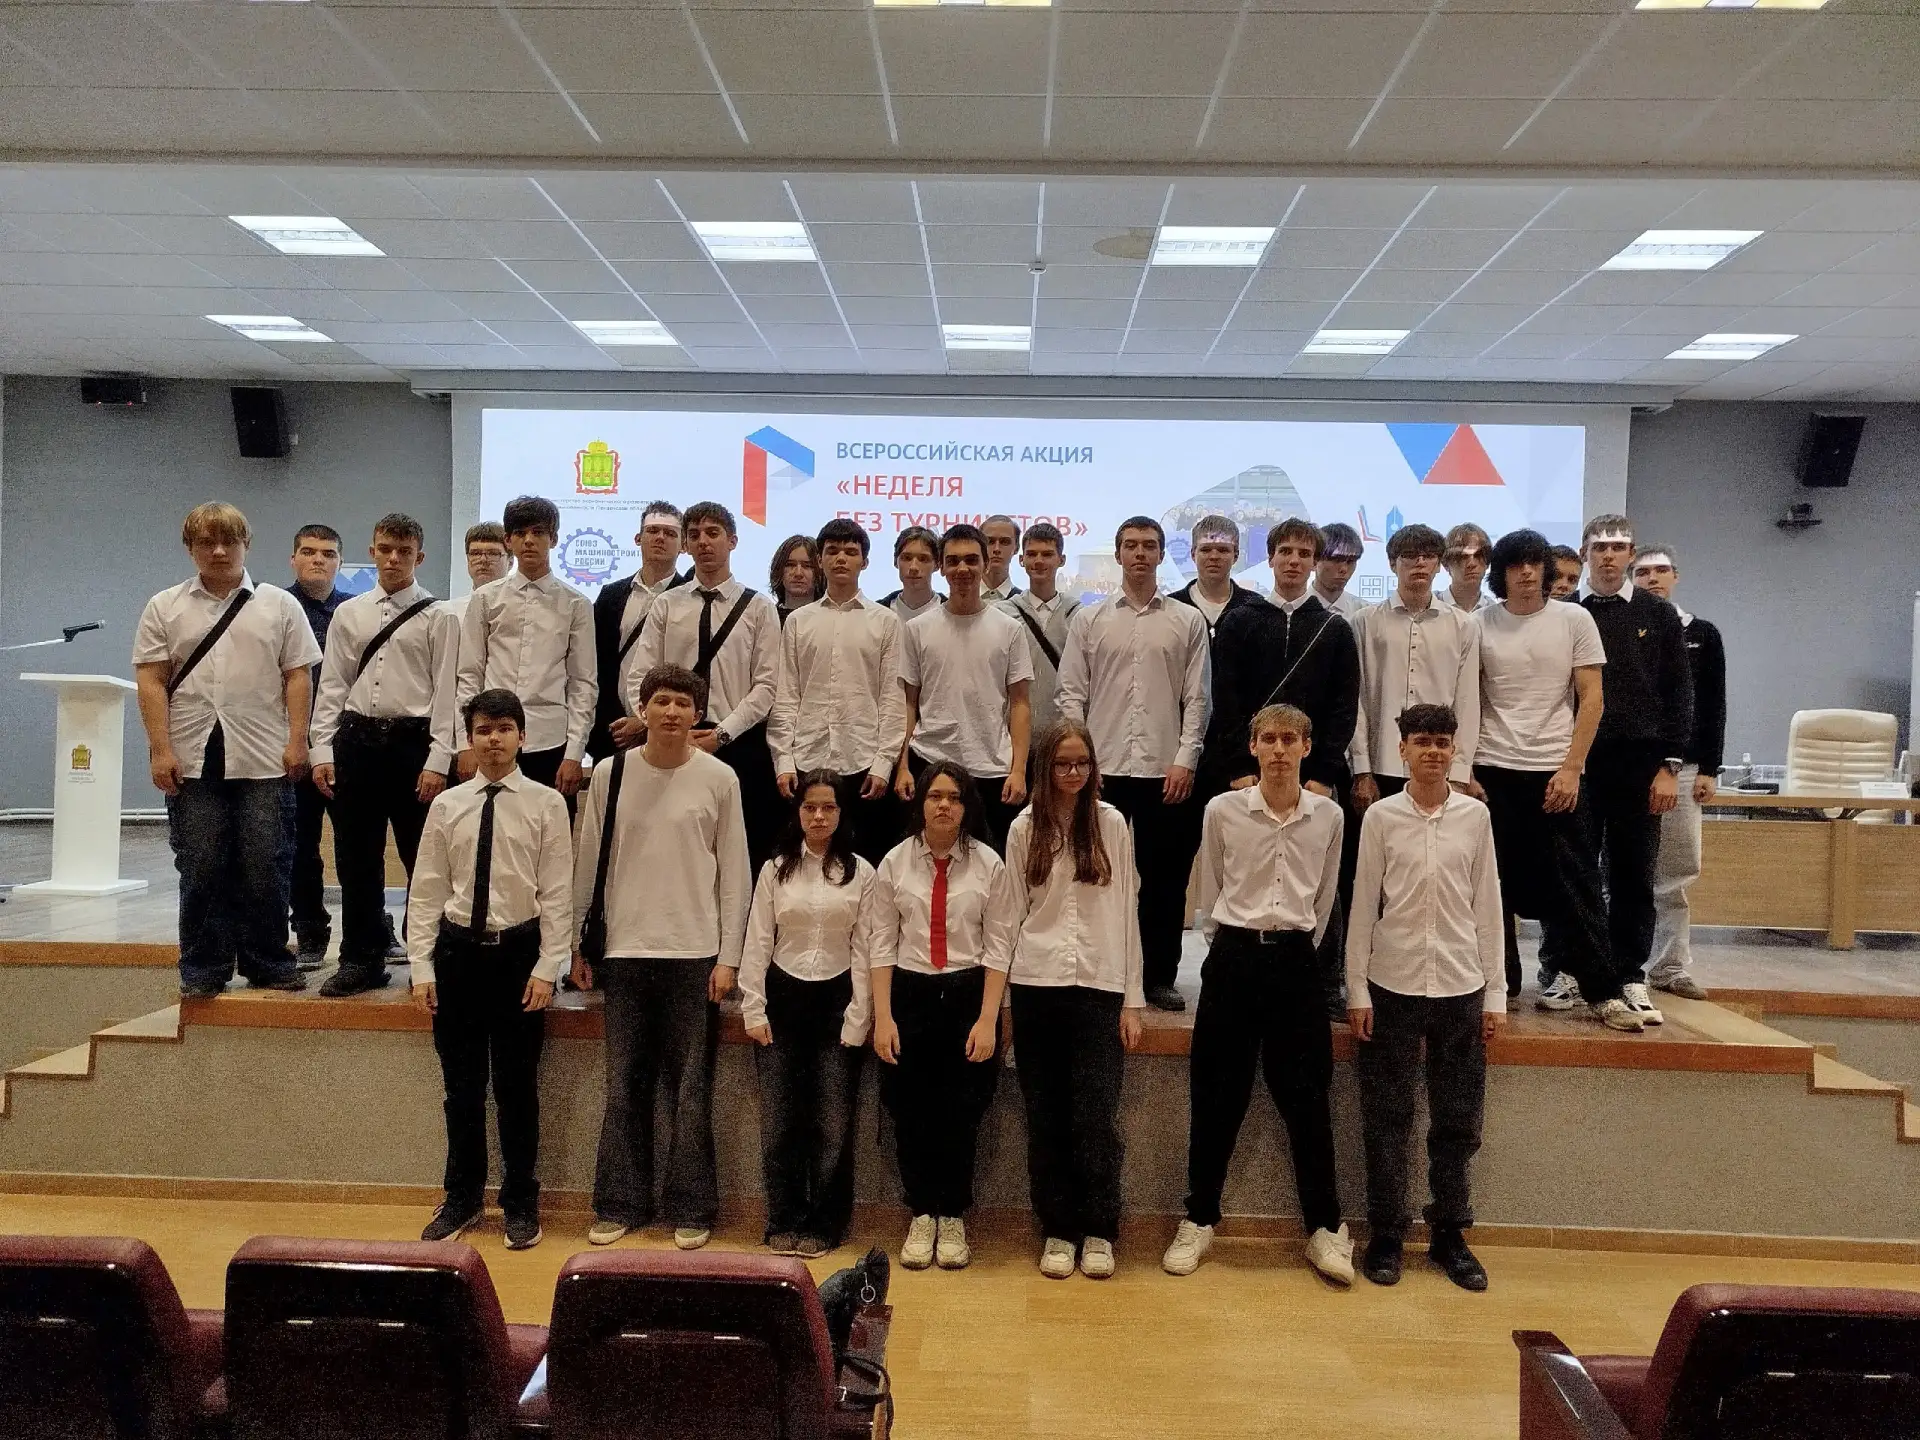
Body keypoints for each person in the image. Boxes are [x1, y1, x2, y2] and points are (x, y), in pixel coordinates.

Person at [1162, 703, 1352, 1285]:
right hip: (1234, 958)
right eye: (1268, 739)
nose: (1278, 749)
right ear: (1253, 747)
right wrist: (1235, 942)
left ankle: (1326, 1227)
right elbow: (1213, 888)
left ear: (1307, 747)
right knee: (1216, 1096)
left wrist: (1294, 947)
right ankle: (1199, 1218)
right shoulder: (1222, 811)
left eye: (1289, 739)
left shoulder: (1328, 817)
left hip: (1296, 961)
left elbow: (1324, 899)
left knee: (1308, 1098)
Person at [573, 664, 751, 1252]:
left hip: (694, 955)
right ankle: (619, 1203)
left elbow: (736, 875)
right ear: (642, 710)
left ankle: (691, 1206)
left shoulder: (720, 777)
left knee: (690, 1091)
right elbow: (589, 859)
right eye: (661, 701)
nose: (671, 712)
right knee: (624, 1086)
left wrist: (729, 958)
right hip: (624, 952)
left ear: (697, 714)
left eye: (682, 703)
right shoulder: (612, 772)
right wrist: (577, 944)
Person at [1347, 703, 1504, 1292]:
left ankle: (1450, 1235)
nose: (1433, 751)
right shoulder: (1381, 818)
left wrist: (1496, 995)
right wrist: (1356, 988)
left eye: (1442, 742)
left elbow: (1488, 904)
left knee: (1458, 1120)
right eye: (1422, 741)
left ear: (1454, 750)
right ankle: (1387, 1234)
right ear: (1403, 750)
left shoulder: (1475, 817)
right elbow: (1363, 903)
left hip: (1461, 985)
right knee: (1388, 1117)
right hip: (1392, 984)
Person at [133, 502, 319, 998]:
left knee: (267, 861)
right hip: (191, 754)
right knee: (200, 863)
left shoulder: (280, 605)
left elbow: (297, 675)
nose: (218, 551)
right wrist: (159, 750)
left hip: (264, 754)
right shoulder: (164, 606)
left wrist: (298, 740)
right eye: (206, 542)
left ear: (246, 545)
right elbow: (151, 680)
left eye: (228, 541)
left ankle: (268, 961)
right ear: (190, 548)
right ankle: (203, 968)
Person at [408, 688, 570, 1251]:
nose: (494, 739)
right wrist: (421, 966)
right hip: (457, 956)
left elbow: (557, 892)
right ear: (470, 739)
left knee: (517, 1088)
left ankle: (520, 1201)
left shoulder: (546, 804)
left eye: (504, 729)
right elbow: (427, 889)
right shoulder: (448, 805)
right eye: (483, 730)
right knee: (461, 1088)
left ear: (522, 736)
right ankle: (462, 1197)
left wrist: (548, 966)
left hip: (518, 956)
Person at [1472, 529, 1641, 1031]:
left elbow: (1592, 699)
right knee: (1492, 885)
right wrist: (1468, 771)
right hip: (1494, 769)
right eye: (1515, 564)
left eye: (1534, 563)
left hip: (1555, 770)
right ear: (1501, 572)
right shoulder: (1479, 624)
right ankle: (1498, 986)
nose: (1526, 572)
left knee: (1578, 883)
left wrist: (1571, 768)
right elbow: (1470, 698)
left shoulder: (1574, 619)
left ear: (1547, 570)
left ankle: (1603, 991)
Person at [1003, 721, 1146, 1280]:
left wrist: (1132, 1000)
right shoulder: (1023, 828)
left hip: (1099, 987)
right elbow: (1010, 916)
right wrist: (1004, 1006)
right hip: (1036, 984)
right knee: (1045, 1115)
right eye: (1062, 763)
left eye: (1081, 763)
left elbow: (1127, 912)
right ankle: (1058, 1229)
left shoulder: (1112, 824)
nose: (1072, 773)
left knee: (1095, 1116)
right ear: (1045, 768)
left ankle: (1100, 1229)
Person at [1056, 516, 1209, 1013]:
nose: (1140, 553)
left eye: (1149, 545)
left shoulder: (1187, 620)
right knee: (1095, 875)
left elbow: (1197, 698)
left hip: (1167, 771)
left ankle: (1159, 977)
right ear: (1119, 554)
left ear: (1162, 554)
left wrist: (1186, 759)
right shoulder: (1089, 620)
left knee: (1165, 880)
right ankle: (1099, 972)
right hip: (1102, 773)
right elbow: (1070, 695)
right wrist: (1082, 763)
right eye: (1131, 545)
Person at [1209, 517, 1360, 1017]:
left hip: (1312, 780)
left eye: (1304, 553)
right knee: (1250, 872)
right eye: (1286, 551)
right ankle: (1233, 971)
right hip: (1249, 776)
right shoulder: (1239, 620)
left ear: (1315, 562)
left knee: (1319, 879)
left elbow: (1344, 706)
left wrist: (1324, 774)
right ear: (1271, 558)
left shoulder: (1335, 629)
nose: (1294, 560)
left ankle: (1326, 979)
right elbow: (1226, 698)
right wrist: (1239, 765)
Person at [869, 763, 1015, 1271]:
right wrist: (883, 1017)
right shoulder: (895, 862)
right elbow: (881, 943)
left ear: (967, 806)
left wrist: (988, 1018)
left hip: (967, 994)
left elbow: (999, 946)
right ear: (921, 803)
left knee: (961, 1111)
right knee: (909, 1110)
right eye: (935, 796)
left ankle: (952, 1213)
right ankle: (921, 1212)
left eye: (954, 797)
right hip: (909, 993)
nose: (944, 805)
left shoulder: (988, 864)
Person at [309, 513, 459, 997]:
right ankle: (361, 958)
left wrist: (439, 758)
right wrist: (321, 748)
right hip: (356, 742)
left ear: (420, 556)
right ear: (372, 551)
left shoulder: (440, 616)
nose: (394, 559)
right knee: (356, 859)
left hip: (414, 745)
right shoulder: (349, 614)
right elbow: (333, 684)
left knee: (424, 860)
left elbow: (447, 693)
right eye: (385, 549)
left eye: (404, 551)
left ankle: (426, 960)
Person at [734, 771, 874, 1259]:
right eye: (810, 807)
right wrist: (753, 1006)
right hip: (782, 998)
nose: (818, 816)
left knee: (833, 1124)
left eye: (828, 807)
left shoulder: (862, 873)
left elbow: (865, 948)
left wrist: (859, 1016)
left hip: (837, 1001)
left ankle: (826, 1223)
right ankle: (784, 1217)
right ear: (798, 813)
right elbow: (758, 939)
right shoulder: (776, 869)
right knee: (779, 1121)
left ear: (841, 814)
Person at [1561, 515, 1692, 1027]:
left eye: (1618, 547)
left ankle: (1630, 973)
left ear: (1631, 554)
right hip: (1578, 761)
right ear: (1585, 553)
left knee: (1634, 873)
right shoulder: (1565, 612)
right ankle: (1576, 970)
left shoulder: (1658, 615)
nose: (1609, 555)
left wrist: (1669, 767)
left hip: (1639, 765)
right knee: (1576, 872)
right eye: (1600, 547)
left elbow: (1678, 693)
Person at [629, 500, 782, 873]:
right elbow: (640, 677)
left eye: (713, 533)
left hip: (739, 743)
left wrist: (721, 734)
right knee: (673, 851)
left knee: (740, 854)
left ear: (732, 541)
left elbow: (766, 686)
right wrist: (660, 724)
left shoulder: (759, 607)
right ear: (686, 545)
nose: (703, 542)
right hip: (671, 741)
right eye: (694, 535)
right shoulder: (667, 604)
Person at [768, 518, 906, 867]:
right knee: (802, 861)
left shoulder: (885, 621)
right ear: (820, 560)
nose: (841, 558)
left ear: (865, 561)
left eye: (850, 552)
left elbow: (892, 699)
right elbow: (787, 695)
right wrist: (782, 759)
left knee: (862, 862)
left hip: (863, 762)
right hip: (806, 758)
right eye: (832, 551)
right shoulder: (799, 621)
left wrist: (884, 764)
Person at [896, 523, 1033, 853]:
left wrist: (1018, 770)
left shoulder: (1009, 629)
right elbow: (908, 703)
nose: (962, 569)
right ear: (941, 567)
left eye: (971, 560)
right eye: (953, 561)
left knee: (993, 867)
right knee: (927, 863)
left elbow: (1020, 704)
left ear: (985, 564)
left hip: (992, 770)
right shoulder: (917, 629)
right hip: (929, 763)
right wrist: (901, 766)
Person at [455, 496, 595, 805]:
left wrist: (575, 752)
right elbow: (469, 674)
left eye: (538, 532)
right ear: (508, 540)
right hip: (492, 738)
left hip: (551, 741)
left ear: (553, 539)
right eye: (520, 533)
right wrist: (465, 744)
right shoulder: (486, 598)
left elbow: (583, 683)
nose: (529, 540)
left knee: (550, 829)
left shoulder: (576, 603)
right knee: (488, 827)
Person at [1633, 544, 1724, 1003]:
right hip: (1627, 765)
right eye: (1643, 572)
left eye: (1661, 570)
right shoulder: (1622, 626)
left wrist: (1708, 767)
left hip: (1683, 769)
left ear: (1676, 575)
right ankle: (1615, 967)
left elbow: (1713, 704)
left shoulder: (1703, 634)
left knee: (1675, 872)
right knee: (1620, 871)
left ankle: (1669, 967)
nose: (1652, 578)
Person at [1349, 523, 1480, 811]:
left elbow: (1467, 701)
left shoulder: (1463, 625)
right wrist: (1361, 770)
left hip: (1439, 763)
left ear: (1439, 565)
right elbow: (1356, 700)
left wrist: (1460, 773)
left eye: (1429, 556)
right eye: (1409, 555)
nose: (1420, 562)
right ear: (1392, 563)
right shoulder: (1364, 622)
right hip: (1381, 761)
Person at [285, 523, 349, 970]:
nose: (318, 560)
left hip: (347, 747)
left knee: (356, 847)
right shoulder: (275, 607)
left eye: (327, 553)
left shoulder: (355, 610)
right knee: (299, 847)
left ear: (339, 562)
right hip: (293, 747)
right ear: (293, 558)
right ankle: (309, 930)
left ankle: (371, 929)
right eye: (308, 552)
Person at [589, 500, 687, 762]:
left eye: (670, 533)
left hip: (670, 729)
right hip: (612, 731)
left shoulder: (693, 597)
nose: (660, 538)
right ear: (638, 538)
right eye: (653, 530)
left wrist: (645, 722)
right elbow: (596, 664)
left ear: (683, 545)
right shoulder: (610, 596)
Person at [999, 521, 1081, 743]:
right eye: (1032, 554)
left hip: (1064, 740)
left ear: (1061, 560)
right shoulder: (1003, 613)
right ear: (1021, 559)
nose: (1038, 561)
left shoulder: (1079, 616)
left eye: (1047, 554)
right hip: (1013, 737)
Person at [1170, 513, 1258, 642]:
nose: (1214, 557)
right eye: (1205, 550)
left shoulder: (1256, 608)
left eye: (1223, 550)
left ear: (1236, 555)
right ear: (1193, 554)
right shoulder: (1171, 607)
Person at [447, 522, 512, 628]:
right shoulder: (451, 613)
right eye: (476, 553)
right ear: (468, 559)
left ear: (511, 562)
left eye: (493, 553)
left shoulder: (521, 610)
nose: (483, 560)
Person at [878, 526, 943, 622]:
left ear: (937, 565)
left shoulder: (954, 613)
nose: (913, 567)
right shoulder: (876, 614)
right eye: (907, 558)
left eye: (923, 559)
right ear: (895, 562)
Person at [1310, 522, 1367, 618]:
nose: (1344, 569)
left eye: (1351, 561)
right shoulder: (1291, 609)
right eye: (1336, 559)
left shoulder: (1366, 614)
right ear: (1314, 561)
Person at [1438, 523, 1495, 613]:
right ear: (1446, 564)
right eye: (1462, 557)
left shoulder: (1495, 612)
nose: (1471, 564)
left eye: (1478, 555)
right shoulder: (1429, 607)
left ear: (1487, 563)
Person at [771, 534, 825, 627]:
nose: (798, 573)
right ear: (778, 570)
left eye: (807, 566)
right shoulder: (766, 617)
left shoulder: (830, 618)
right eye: (790, 565)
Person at [981, 515, 1022, 601]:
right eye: (989, 541)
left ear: (1017, 548)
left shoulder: (1025, 604)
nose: (997, 549)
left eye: (1005, 542)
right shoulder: (955, 601)